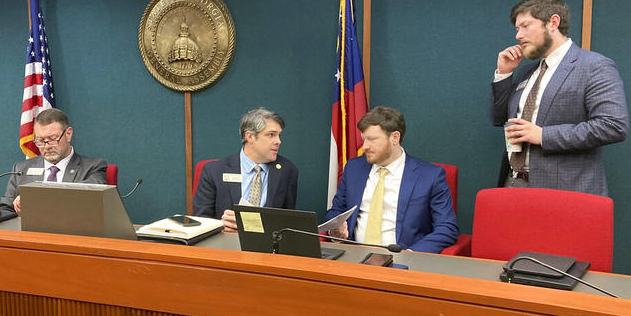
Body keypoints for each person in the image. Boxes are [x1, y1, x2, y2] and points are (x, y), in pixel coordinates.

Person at [492, 0, 628, 196]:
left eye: (525, 26)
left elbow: (613, 126)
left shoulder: (594, 66)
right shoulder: (526, 72)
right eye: (517, 29)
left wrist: (543, 135)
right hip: (512, 184)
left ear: (553, 22)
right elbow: (500, 119)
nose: (518, 35)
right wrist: (504, 74)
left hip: (564, 190)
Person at [325, 106, 458, 253]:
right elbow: (336, 210)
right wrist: (336, 229)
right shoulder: (354, 168)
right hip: (353, 257)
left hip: (402, 261)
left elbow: (447, 228)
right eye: (363, 139)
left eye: (372, 140)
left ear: (394, 137)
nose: (364, 147)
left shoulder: (430, 176)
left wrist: (412, 254)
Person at [193, 108, 298, 231]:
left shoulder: (287, 171)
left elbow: (288, 222)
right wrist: (221, 227)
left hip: (266, 246)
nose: (278, 141)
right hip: (224, 244)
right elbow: (201, 220)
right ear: (250, 137)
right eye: (271, 135)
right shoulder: (214, 171)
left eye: (279, 135)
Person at [0, 108, 107, 214]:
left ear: (68, 134)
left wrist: (34, 197)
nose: (47, 147)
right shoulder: (21, 169)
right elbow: (6, 209)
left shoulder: (93, 167)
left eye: (52, 139)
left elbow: (91, 195)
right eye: (40, 140)